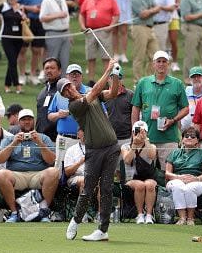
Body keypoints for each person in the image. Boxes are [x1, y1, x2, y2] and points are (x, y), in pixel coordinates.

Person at [62, 61, 122, 241]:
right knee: (88, 189)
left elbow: (112, 92)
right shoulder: (74, 106)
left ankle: (103, 230)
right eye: (64, 91)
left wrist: (115, 76)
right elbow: (95, 91)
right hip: (94, 151)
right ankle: (76, 220)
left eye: (68, 87)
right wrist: (108, 69)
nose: (68, 90)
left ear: (73, 85)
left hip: (112, 147)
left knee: (106, 188)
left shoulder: (90, 94)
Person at [0, 109, 59, 223]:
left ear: (33, 121)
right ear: (19, 122)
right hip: (17, 175)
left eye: (29, 119)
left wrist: (39, 143)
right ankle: (14, 213)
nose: (27, 122)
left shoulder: (43, 138)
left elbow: (51, 160)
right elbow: (0, 159)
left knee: (53, 172)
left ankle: (43, 211)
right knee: (0, 175)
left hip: (38, 174)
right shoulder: (10, 139)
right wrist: (14, 143)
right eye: (23, 120)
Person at [131, 50, 189, 170]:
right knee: (145, 172)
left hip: (169, 139)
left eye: (164, 61)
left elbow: (186, 108)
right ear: (153, 64)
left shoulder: (177, 84)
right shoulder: (143, 83)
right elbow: (136, 108)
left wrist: (173, 120)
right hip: (146, 137)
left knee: (167, 173)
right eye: (158, 61)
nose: (161, 64)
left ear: (168, 64)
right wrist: (135, 131)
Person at [164, 126, 202, 226]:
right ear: (182, 139)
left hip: (198, 181)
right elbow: (167, 173)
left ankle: (190, 218)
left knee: (190, 188)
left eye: (193, 136)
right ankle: (182, 218)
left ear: (197, 141)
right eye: (186, 136)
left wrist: (196, 178)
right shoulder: (174, 153)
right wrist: (179, 177)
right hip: (177, 179)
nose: (189, 138)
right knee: (178, 186)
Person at [47, 63, 90, 171]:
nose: (74, 77)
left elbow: (103, 112)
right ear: (67, 77)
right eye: (72, 75)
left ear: (81, 77)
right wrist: (58, 114)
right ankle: (60, 187)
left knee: (84, 167)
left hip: (85, 139)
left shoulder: (90, 92)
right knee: (60, 167)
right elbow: (50, 115)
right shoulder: (59, 94)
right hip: (64, 138)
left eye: (77, 74)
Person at [79, 0, 119, 82]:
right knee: (91, 57)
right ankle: (91, 80)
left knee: (106, 57)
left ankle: (105, 80)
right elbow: (81, 14)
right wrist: (83, 26)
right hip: (90, 31)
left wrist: (111, 26)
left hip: (105, 31)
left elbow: (116, 14)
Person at [121, 120, 157, 225]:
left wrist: (146, 140)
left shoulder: (151, 146)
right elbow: (127, 160)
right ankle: (140, 214)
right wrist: (134, 146)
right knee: (140, 185)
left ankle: (149, 215)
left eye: (142, 131)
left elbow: (152, 156)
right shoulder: (125, 146)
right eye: (136, 131)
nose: (139, 134)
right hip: (131, 178)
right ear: (132, 133)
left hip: (148, 176)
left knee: (149, 184)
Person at [18, 0, 48, 86]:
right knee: (23, 49)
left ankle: (32, 74)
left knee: (37, 50)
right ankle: (21, 74)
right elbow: (17, 4)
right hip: (26, 21)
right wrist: (32, 8)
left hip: (39, 22)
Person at [130, 0, 161, 83]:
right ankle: (137, 81)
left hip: (149, 27)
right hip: (139, 28)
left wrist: (150, 11)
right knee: (139, 56)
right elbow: (143, 15)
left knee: (155, 55)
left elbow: (158, 8)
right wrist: (153, 10)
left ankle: (149, 79)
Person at [35, 57, 62, 141]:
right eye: (46, 68)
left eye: (52, 68)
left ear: (59, 71)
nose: (49, 71)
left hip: (56, 138)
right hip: (40, 138)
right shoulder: (42, 91)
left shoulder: (63, 90)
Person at [180, 66, 202, 131]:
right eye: (193, 77)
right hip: (186, 133)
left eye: (199, 76)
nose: (196, 79)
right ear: (190, 79)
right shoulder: (185, 92)